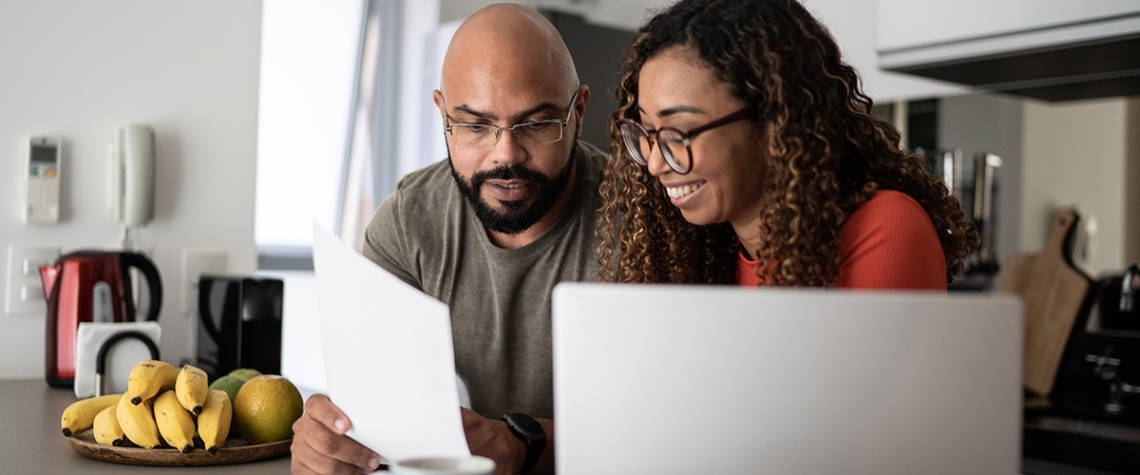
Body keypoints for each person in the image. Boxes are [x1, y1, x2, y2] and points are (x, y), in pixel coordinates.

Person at [291, 5, 606, 475]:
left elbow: (671, 426)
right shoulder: (407, 221)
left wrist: (521, 445)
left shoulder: (643, 220)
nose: (506, 155)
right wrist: (334, 443)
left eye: (537, 124)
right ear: (443, 115)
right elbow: (376, 411)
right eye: (476, 126)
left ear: (577, 113)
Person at [597, 0, 978, 288]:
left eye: (678, 133)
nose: (655, 164)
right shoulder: (702, 254)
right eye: (647, 134)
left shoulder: (885, 227)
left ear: (776, 124)